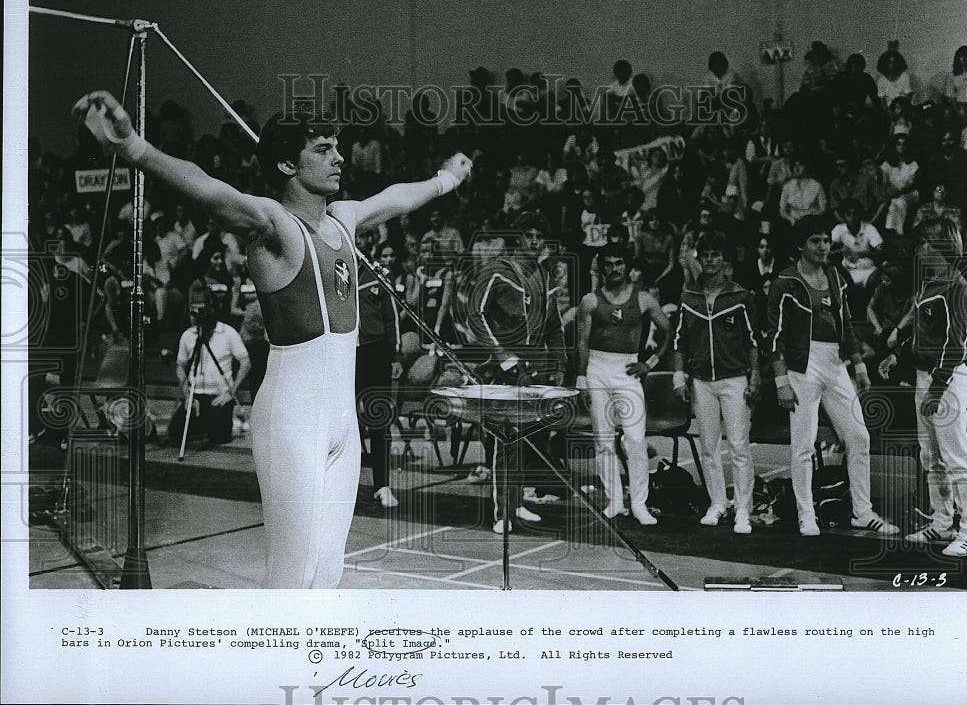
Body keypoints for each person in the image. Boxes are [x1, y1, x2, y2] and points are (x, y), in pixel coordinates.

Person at [73, 90, 472, 588]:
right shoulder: (274, 225)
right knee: (293, 573)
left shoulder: (343, 221)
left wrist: (446, 179)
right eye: (323, 149)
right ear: (288, 162)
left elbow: (393, 198)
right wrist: (135, 149)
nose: (338, 157)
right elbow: (209, 189)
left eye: (336, 146)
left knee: (328, 572)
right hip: (292, 417)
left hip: (342, 424)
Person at [766, 215, 899, 537]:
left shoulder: (836, 276)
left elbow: (847, 324)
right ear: (800, 245)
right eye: (815, 241)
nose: (823, 246)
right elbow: (774, 336)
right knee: (803, 445)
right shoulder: (785, 282)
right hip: (802, 366)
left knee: (859, 437)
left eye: (826, 240)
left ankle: (862, 512)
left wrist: (859, 365)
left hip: (835, 363)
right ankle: (806, 514)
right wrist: (781, 380)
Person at [878, 218, 967, 557]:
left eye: (926, 244)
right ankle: (941, 520)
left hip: (947, 380)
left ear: (943, 247)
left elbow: (957, 344)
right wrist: (896, 358)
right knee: (931, 457)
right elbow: (919, 336)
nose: (920, 250)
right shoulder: (928, 285)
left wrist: (937, 386)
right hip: (924, 377)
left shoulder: (957, 287)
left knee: (956, 458)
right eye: (920, 244)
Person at [465, 213, 569, 532]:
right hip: (502, 369)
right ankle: (501, 512)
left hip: (533, 370)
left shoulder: (546, 278)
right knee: (503, 442)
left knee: (524, 439)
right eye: (530, 235)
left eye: (540, 236)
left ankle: (518, 503)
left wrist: (560, 364)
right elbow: (474, 314)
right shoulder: (497, 271)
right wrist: (502, 354)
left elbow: (554, 327)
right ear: (518, 238)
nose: (535, 241)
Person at [576, 242, 673, 525]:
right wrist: (582, 380)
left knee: (634, 439)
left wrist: (650, 363)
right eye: (609, 264)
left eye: (619, 263)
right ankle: (615, 500)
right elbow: (581, 343)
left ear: (628, 267)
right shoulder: (590, 301)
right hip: (597, 368)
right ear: (602, 267)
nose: (615, 269)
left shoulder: (643, 299)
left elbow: (669, 330)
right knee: (604, 438)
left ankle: (639, 503)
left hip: (628, 369)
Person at [672, 231, 760, 534]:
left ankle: (743, 509)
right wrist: (678, 376)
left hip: (734, 379)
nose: (709, 260)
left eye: (715, 255)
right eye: (705, 254)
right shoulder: (688, 297)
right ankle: (717, 503)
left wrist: (756, 374)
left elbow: (752, 340)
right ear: (699, 258)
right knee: (708, 446)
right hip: (701, 381)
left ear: (724, 260)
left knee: (738, 446)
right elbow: (679, 341)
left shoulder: (740, 296)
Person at [355, 228, 404, 509]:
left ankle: (383, 485)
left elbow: (391, 318)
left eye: (365, 239)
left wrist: (395, 355)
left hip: (376, 352)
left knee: (378, 418)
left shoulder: (379, 274)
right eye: (356, 238)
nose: (361, 243)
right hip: (346, 353)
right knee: (344, 421)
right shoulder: (337, 274)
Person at [168, 295, 251, 448]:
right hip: (196, 394)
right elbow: (180, 365)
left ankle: (229, 419)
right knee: (175, 434)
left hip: (220, 395)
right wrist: (187, 396)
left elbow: (245, 362)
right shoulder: (188, 335)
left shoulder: (228, 332)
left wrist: (231, 392)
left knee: (219, 437)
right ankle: (204, 422)